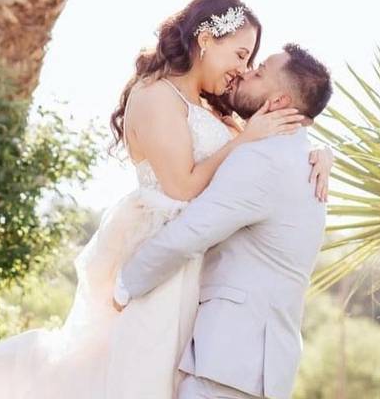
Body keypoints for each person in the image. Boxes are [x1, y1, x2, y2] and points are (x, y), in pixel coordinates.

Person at [0, 0, 333, 399]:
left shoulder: (218, 110)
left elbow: (272, 157)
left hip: (196, 271)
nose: (242, 70)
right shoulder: (156, 96)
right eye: (241, 55)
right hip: (161, 254)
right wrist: (244, 143)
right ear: (206, 41)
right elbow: (183, 188)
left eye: (252, 62)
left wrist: (319, 151)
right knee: (128, 377)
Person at [114, 43, 333, 399]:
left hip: (229, 365)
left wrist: (125, 284)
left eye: (259, 72)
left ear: (278, 103)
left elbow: (192, 233)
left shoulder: (263, 160)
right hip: (254, 366)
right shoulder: (300, 157)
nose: (246, 72)